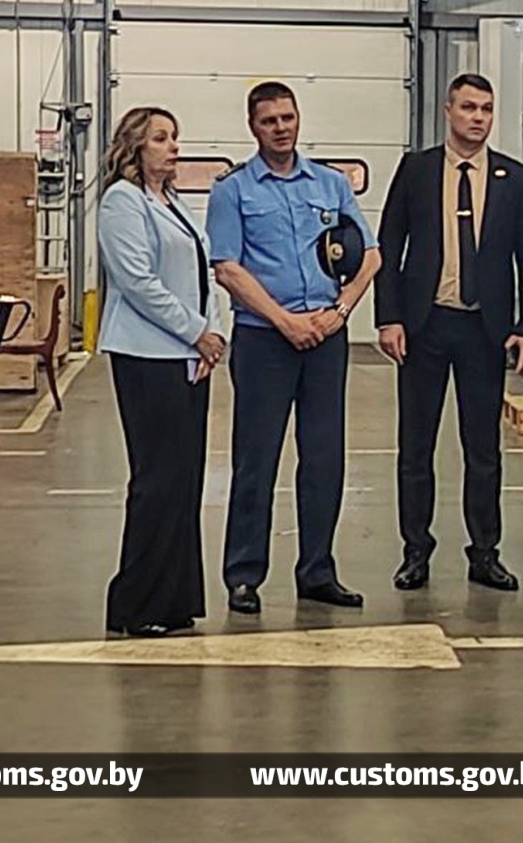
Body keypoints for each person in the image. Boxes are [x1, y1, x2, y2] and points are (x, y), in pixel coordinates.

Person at [207, 81, 382, 616]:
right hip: (265, 340)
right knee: (256, 460)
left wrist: (340, 312)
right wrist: (284, 321)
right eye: (269, 121)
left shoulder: (330, 184)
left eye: (287, 117)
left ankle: (318, 571)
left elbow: (370, 255)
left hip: (325, 338)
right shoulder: (233, 191)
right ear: (252, 127)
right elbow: (228, 268)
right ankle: (244, 575)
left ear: (298, 118)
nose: (280, 128)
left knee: (325, 458)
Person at [374, 73, 523, 593]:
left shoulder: (515, 179)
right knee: (415, 447)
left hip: (484, 330)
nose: (478, 117)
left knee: (483, 449)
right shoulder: (417, 169)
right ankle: (415, 552)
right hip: (425, 325)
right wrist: (389, 317)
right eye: (469, 107)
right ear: (448, 110)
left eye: (486, 109)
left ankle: (485, 553)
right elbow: (389, 244)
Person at [97, 106, 228, 638]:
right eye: (160, 138)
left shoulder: (173, 202)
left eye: (174, 137)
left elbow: (202, 273)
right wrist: (197, 332)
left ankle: (174, 600)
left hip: (187, 357)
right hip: (147, 356)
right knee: (156, 481)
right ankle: (135, 604)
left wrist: (213, 335)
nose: (173, 147)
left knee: (184, 480)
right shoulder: (122, 202)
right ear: (135, 147)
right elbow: (138, 282)